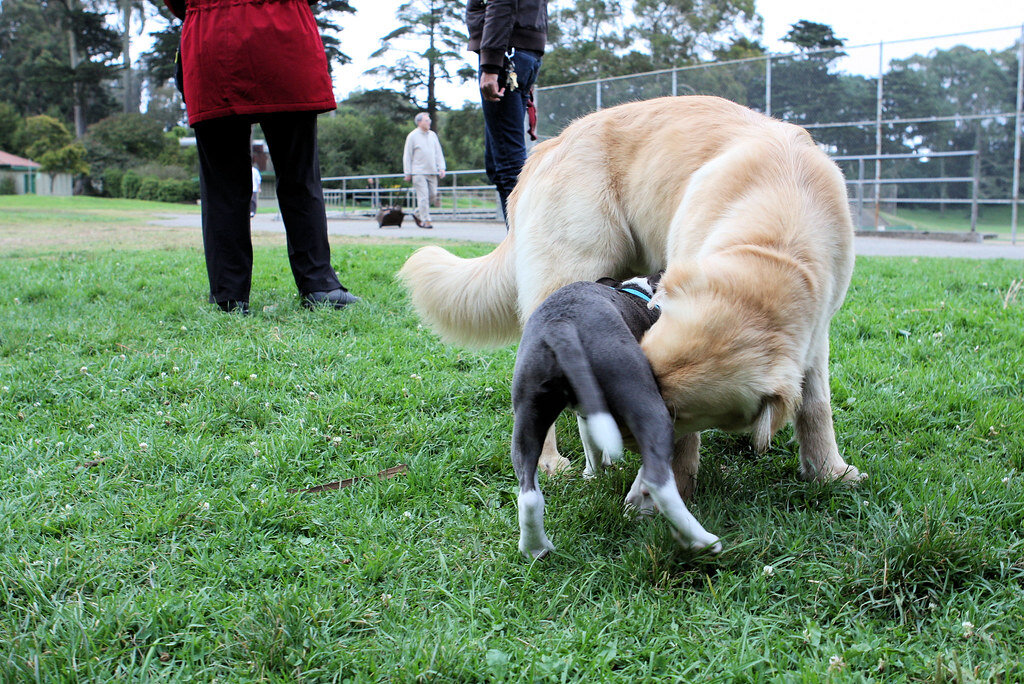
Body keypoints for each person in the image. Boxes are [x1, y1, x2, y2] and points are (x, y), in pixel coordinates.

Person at [164, 0, 358, 313]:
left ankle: (230, 294)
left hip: (213, 37)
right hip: (282, 35)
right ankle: (319, 283)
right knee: (300, 175)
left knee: (223, 185)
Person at [466, 0, 548, 223]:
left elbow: (502, 3)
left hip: (506, 54)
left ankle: (524, 248)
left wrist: (491, 64)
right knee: (499, 164)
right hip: (520, 53)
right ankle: (520, 246)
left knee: (509, 166)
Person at [402, 113, 446, 230]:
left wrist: (441, 167)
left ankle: (418, 212)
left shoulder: (432, 135)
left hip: (432, 171)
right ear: (419, 122)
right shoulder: (412, 136)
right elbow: (407, 155)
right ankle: (426, 220)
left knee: (432, 195)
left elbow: (438, 152)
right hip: (418, 171)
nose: (429, 122)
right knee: (423, 197)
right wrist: (407, 172)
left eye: (429, 120)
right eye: (426, 120)